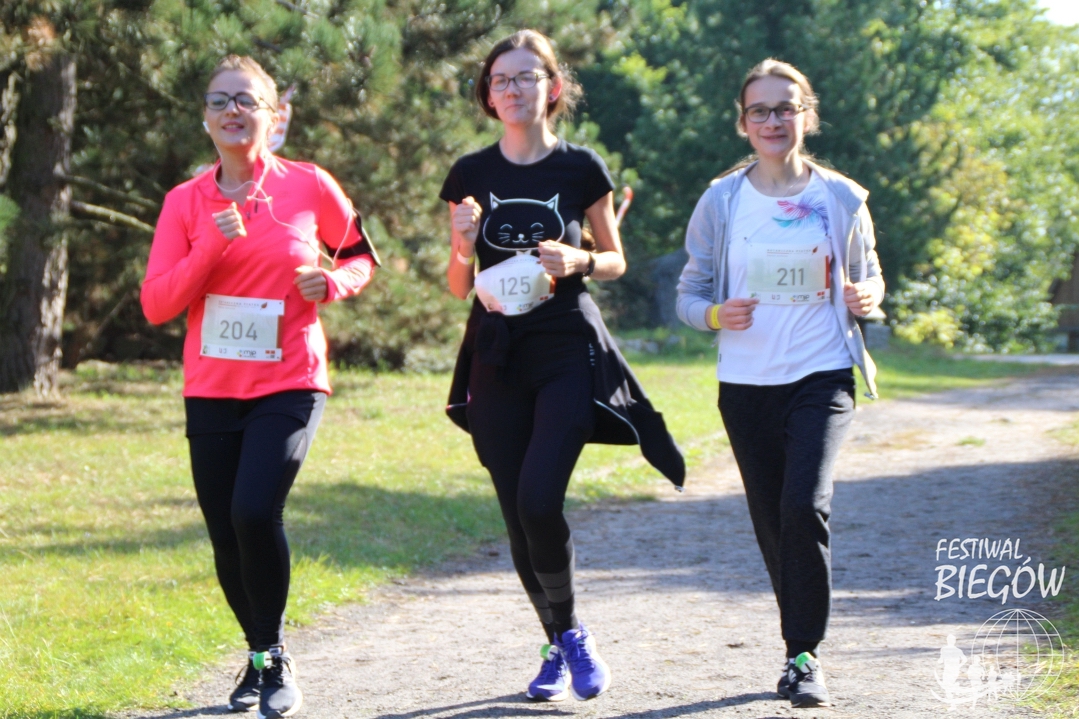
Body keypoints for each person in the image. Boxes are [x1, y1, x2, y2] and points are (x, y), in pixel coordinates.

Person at [440, 30, 684, 703]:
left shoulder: (581, 168)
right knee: (516, 514)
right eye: (501, 79)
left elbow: (615, 260)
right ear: (488, 96)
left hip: (566, 350)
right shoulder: (468, 175)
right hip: (496, 355)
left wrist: (580, 260)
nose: (513, 88)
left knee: (539, 500)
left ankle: (568, 636)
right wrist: (462, 244)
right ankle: (562, 636)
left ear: (552, 87)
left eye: (527, 76)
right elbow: (458, 286)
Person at [141, 55, 379, 718]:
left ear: (274, 116)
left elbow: (360, 255)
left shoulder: (309, 185)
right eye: (219, 100)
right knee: (224, 531)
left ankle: (272, 658)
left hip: (289, 378)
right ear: (205, 118)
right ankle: (260, 656)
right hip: (212, 385)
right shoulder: (185, 202)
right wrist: (211, 248)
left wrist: (334, 282)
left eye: (247, 100)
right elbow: (157, 304)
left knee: (253, 512)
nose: (233, 111)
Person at [676, 58, 885, 709]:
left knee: (803, 505)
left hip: (823, 374)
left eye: (785, 108)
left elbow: (871, 277)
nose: (773, 120)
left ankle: (803, 655)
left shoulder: (841, 198)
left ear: (806, 116)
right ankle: (797, 645)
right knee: (773, 521)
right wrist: (717, 314)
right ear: (743, 124)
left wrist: (866, 297)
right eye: (760, 110)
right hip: (745, 385)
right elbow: (688, 294)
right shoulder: (721, 201)